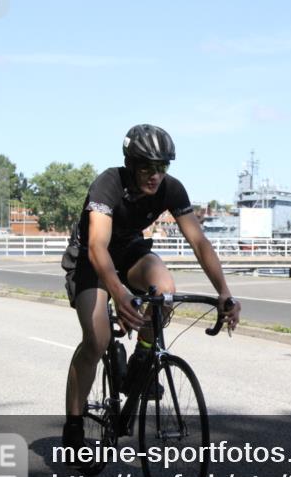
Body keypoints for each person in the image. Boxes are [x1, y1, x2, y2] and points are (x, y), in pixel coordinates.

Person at [60, 124, 241, 453]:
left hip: (129, 250)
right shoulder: (108, 184)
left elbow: (199, 242)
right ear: (130, 163)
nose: (155, 175)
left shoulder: (171, 189)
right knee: (97, 339)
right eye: (146, 166)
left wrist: (224, 292)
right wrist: (119, 293)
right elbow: (97, 247)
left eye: (162, 167)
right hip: (91, 260)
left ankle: (143, 358)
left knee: (165, 289)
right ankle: (73, 421)